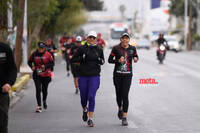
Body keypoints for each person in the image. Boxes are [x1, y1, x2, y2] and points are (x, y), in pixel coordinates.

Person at [71, 31, 105, 127]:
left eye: (93, 38)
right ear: (87, 38)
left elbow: (102, 61)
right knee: (83, 98)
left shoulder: (99, 49)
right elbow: (73, 59)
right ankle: (84, 109)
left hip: (94, 76)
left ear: (95, 39)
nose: (91, 39)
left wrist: (100, 60)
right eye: (90, 37)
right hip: (83, 76)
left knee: (91, 96)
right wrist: (81, 58)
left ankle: (90, 119)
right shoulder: (81, 48)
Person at [108, 33, 138, 126]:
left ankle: (124, 117)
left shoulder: (132, 48)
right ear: (121, 39)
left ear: (129, 40)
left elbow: (136, 56)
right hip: (117, 75)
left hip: (128, 75)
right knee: (118, 95)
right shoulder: (115, 48)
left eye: (127, 38)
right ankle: (120, 108)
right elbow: (109, 60)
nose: (125, 40)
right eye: (123, 38)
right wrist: (117, 60)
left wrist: (136, 58)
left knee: (125, 95)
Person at [28, 42, 54, 113]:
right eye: (40, 48)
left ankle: (44, 100)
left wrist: (45, 66)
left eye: (42, 48)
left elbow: (52, 63)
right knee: (38, 89)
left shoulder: (48, 54)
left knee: (44, 90)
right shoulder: (34, 54)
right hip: (37, 74)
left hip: (46, 75)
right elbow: (29, 61)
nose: (41, 49)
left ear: (44, 48)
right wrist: (32, 66)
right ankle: (39, 106)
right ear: (38, 47)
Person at [0, 42, 17, 133]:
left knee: (2, 123)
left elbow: (12, 69)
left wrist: (9, 83)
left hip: (2, 93)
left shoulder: (5, 48)